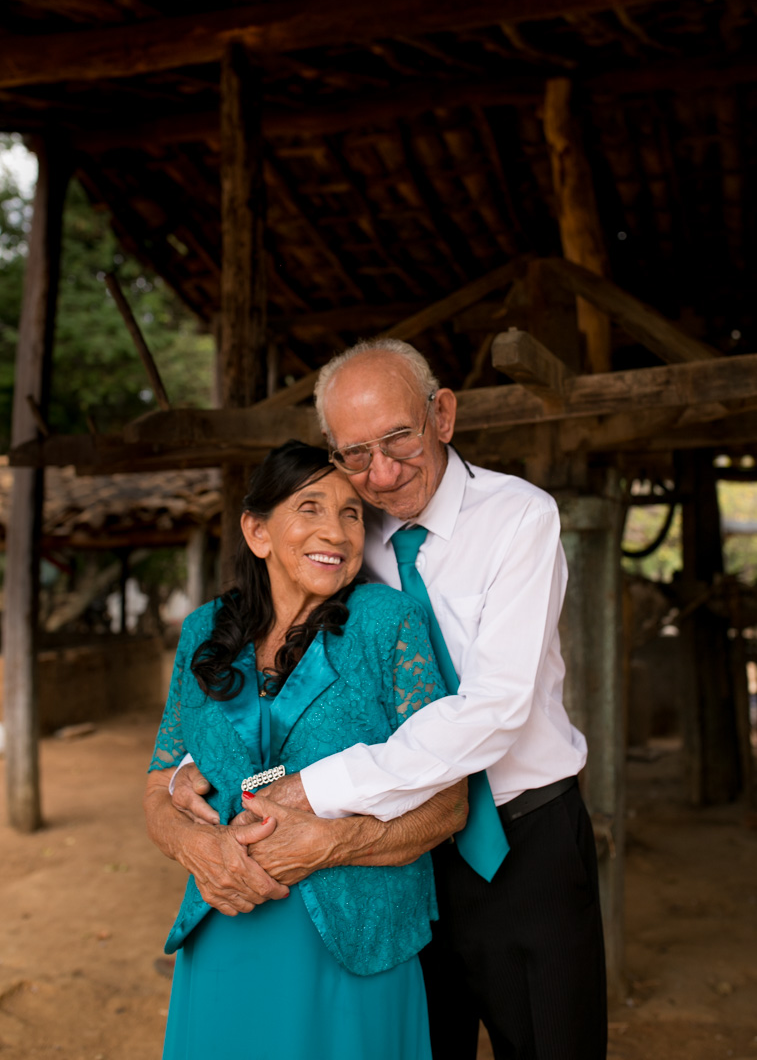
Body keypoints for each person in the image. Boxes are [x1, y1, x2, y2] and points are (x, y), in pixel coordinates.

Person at [165, 338, 608, 1060]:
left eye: (399, 438)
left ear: (441, 414)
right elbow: (284, 655)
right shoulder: (345, 530)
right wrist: (201, 756)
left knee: (550, 1041)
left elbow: (495, 709)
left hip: (522, 837)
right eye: (355, 453)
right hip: (400, 850)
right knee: (418, 1041)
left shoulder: (517, 517)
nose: (382, 471)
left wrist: (318, 788)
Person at [145, 439, 467, 1060]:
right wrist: (195, 846)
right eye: (311, 508)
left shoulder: (388, 623)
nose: (338, 531)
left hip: (357, 941)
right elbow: (160, 782)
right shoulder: (203, 633)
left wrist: (333, 842)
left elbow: (450, 803)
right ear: (257, 531)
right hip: (227, 921)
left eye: (352, 514)